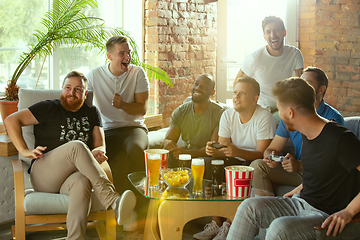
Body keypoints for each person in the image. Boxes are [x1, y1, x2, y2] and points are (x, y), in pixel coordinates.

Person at [4, 71, 136, 240]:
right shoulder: (48, 108)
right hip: (45, 174)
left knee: (81, 182)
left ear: (85, 93)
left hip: (71, 178)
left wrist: (98, 150)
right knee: (77, 146)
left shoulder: (92, 112)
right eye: (68, 88)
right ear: (62, 89)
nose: (72, 93)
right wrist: (24, 150)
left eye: (78, 89)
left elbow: (100, 143)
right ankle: (112, 200)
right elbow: (10, 120)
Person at [227, 77, 360, 240]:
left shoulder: (340, 139)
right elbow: (326, 171)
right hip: (300, 202)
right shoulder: (307, 133)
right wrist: (299, 189)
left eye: (279, 109)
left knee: (279, 228)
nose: (279, 115)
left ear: (290, 113)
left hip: (324, 214)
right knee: (248, 207)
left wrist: (349, 212)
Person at [193, 77, 276, 240]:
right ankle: (216, 222)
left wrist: (237, 151)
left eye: (242, 93)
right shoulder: (227, 115)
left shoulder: (264, 117)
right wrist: (212, 150)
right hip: (235, 158)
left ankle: (229, 225)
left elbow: (261, 153)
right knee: (211, 164)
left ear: (255, 99)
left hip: (253, 161)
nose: (236, 97)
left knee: (243, 171)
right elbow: (223, 149)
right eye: (235, 92)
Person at [250, 66, 345, 194]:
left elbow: (329, 164)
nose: (302, 86)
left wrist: (300, 165)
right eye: (301, 82)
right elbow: (272, 149)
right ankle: (266, 205)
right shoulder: (289, 118)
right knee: (257, 166)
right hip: (296, 170)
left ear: (321, 89)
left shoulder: (333, 122)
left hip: (317, 173)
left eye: (308, 83)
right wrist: (271, 157)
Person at [86, 36, 149, 194]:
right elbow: (85, 108)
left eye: (128, 53)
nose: (127, 57)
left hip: (134, 128)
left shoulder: (137, 73)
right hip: (107, 130)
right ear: (110, 56)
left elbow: (142, 109)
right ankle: (118, 202)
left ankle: (142, 206)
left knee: (136, 150)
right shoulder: (94, 75)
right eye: (122, 53)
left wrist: (123, 105)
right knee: (103, 157)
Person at [235, 16, 304, 120]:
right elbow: (237, 84)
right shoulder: (254, 58)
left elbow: (300, 84)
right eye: (268, 32)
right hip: (261, 109)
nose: (273, 35)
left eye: (277, 31)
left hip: (284, 106)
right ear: (264, 36)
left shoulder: (295, 54)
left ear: (284, 32)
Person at [162, 74, 227, 172]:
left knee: (208, 162)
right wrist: (167, 144)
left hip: (204, 156)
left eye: (204, 87)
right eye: (196, 84)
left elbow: (212, 149)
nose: (198, 88)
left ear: (212, 92)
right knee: (168, 156)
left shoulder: (219, 113)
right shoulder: (180, 111)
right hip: (184, 154)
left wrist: (188, 153)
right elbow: (168, 141)